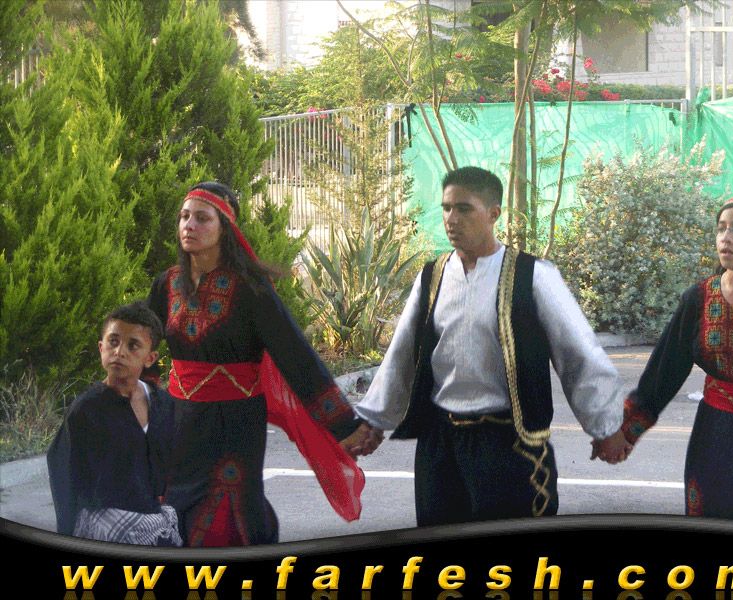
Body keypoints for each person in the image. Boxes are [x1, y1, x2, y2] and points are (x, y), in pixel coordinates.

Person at [352, 166, 631, 526]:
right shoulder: (431, 277)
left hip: (508, 447)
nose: (452, 219)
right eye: (446, 208)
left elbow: (580, 355)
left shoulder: (534, 276)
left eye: (464, 208)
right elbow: (402, 357)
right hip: (440, 449)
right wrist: (372, 421)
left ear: (493, 213)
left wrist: (606, 427)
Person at [147, 181, 373, 546]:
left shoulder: (250, 288)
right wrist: (140, 400)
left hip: (234, 422)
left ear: (225, 229)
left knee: (227, 514)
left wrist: (345, 425)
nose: (189, 225)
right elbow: (144, 345)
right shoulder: (167, 284)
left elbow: (295, 356)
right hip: (179, 421)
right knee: (175, 508)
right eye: (185, 217)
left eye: (202, 218)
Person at [620, 193, 733, 526]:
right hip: (713, 443)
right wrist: (624, 433)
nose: (726, 237)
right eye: (721, 228)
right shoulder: (699, 298)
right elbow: (663, 373)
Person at [47, 301, 182, 546]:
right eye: (113, 341)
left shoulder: (163, 404)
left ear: (150, 358)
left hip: (154, 519)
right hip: (104, 525)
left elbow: (174, 466)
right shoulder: (86, 411)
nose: (119, 352)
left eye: (133, 345)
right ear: (101, 348)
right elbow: (64, 476)